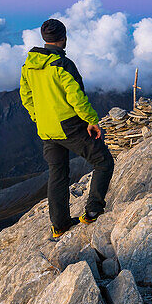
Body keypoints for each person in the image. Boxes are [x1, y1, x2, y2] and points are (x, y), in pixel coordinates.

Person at [19, 18, 114, 240]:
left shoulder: (29, 65)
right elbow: (76, 97)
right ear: (64, 38)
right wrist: (91, 120)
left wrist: (39, 118)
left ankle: (59, 225)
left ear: (45, 39)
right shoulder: (63, 65)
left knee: (58, 175)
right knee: (103, 161)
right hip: (69, 126)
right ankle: (93, 210)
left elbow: (26, 97)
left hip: (47, 129)